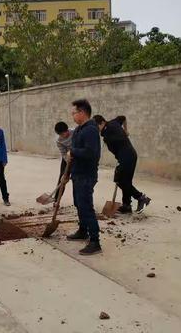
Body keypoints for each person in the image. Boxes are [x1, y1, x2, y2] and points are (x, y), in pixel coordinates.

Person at [93, 115, 151, 213]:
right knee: (126, 181)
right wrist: (125, 130)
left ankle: (141, 198)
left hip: (126, 157)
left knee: (120, 180)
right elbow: (123, 118)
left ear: (102, 123)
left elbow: (117, 142)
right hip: (129, 155)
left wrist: (123, 134)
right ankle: (127, 205)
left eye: (96, 126)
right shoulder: (114, 122)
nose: (96, 130)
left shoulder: (107, 134)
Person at [66, 99, 102, 255]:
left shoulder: (90, 130)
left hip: (86, 175)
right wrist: (66, 174)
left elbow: (91, 153)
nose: (72, 116)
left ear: (82, 112)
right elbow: (73, 152)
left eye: (74, 113)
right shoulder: (80, 129)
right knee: (79, 204)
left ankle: (95, 242)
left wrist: (73, 152)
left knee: (86, 206)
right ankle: (83, 230)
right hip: (77, 173)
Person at [54, 121, 75, 204]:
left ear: (67, 130)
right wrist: (67, 160)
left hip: (78, 156)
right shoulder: (59, 141)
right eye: (60, 135)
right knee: (62, 178)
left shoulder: (75, 132)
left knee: (76, 178)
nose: (62, 136)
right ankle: (57, 200)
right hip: (67, 157)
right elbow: (63, 153)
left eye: (63, 134)